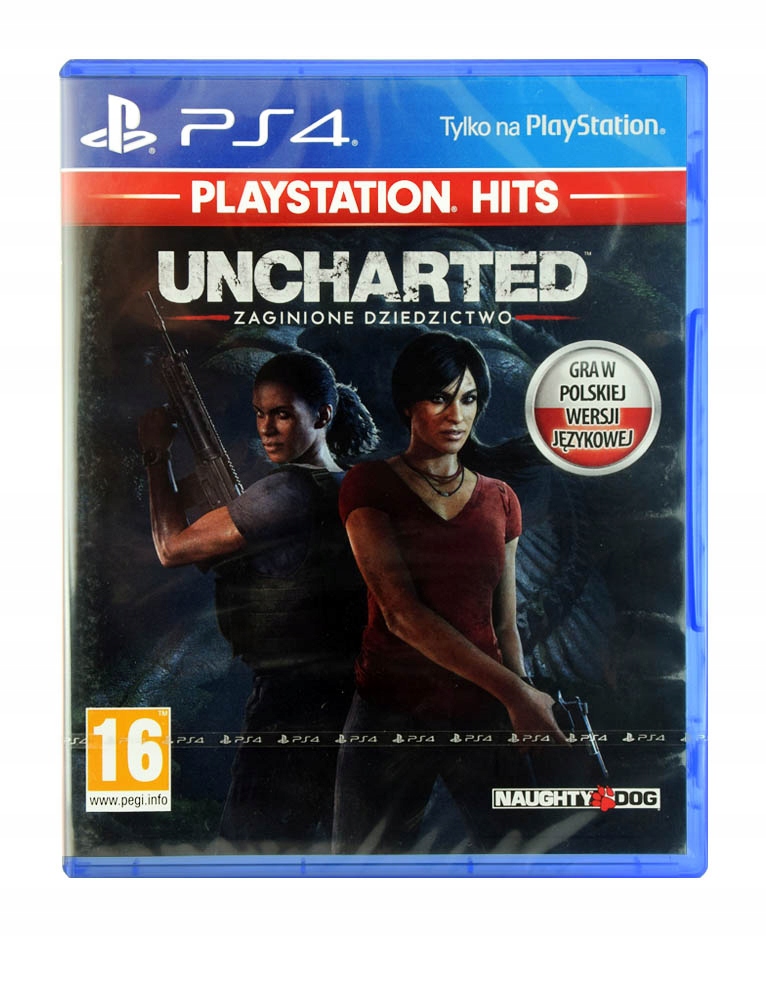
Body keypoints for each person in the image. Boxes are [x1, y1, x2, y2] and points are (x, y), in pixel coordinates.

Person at [332, 331, 568, 854]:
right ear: (408, 404)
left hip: (484, 708)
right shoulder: (368, 484)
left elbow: (504, 624)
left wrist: (523, 700)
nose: (456, 415)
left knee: (521, 863)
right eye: (439, 398)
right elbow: (401, 614)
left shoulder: (501, 498)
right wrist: (518, 695)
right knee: (361, 872)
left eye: (468, 398)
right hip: (390, 712)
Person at [138, 349, 378, 851]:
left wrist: (156, 455)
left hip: (288, 706)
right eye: (260, 413)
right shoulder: (353, 484)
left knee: (248, 851)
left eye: (283, 414)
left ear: (323, 415)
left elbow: (170, 548)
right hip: (348, 701)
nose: (267, 428)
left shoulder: (285, 491)